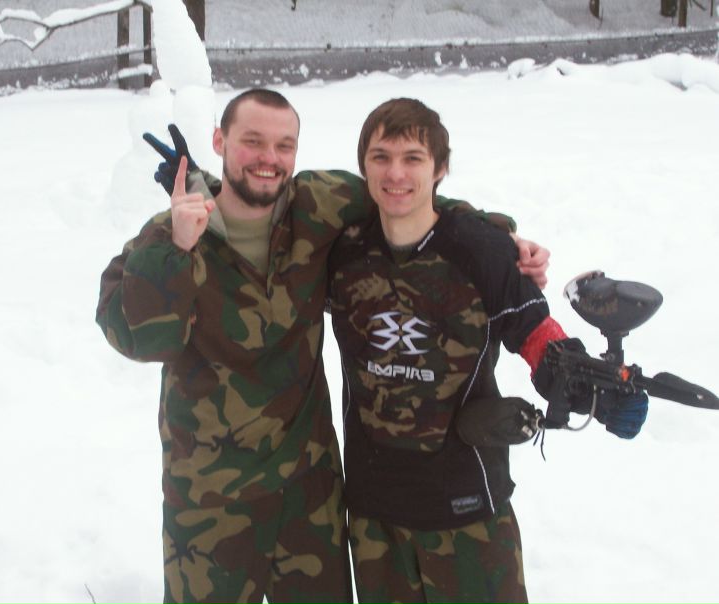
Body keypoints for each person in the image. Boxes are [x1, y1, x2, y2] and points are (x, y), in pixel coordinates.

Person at [96, 88, 549, 604]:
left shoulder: (318, 206)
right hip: (211, 501)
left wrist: (497, 241)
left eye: (283, 145)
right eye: (252, 141)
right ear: (220, 141)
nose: (269, 158)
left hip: (308, 491)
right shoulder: (166, 236)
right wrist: (177, 247)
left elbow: (403, 195)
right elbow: (142, 339)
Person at [326, 98, 649, 604]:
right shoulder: (341, 253)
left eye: (413, 158)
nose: (395, 173)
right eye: (380, 157)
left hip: (466, 508)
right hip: (374, 515)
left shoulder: (479, 249)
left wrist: (592, 390)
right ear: (363, 165)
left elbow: (534, 332)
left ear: (440, 168)